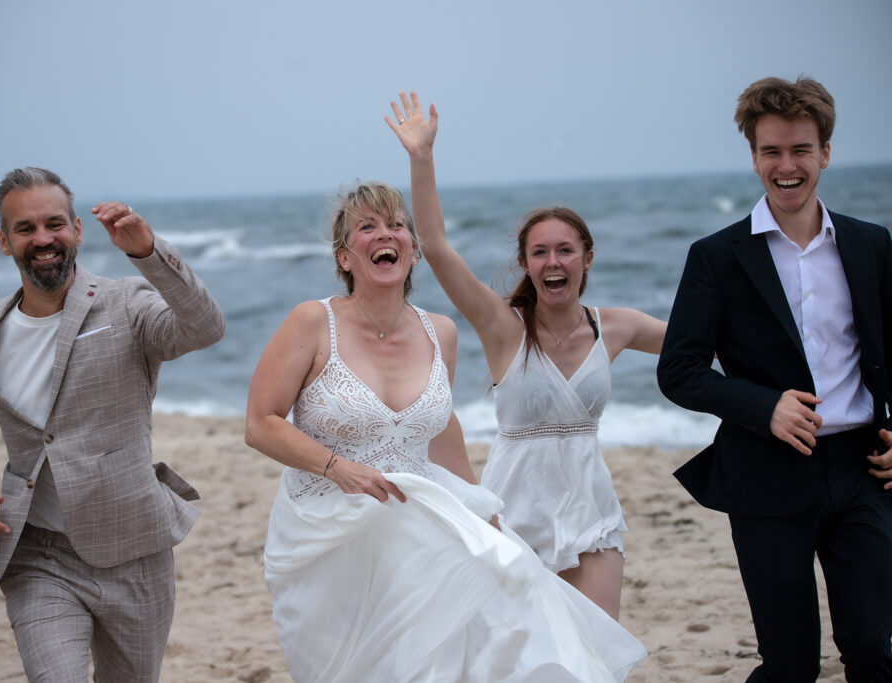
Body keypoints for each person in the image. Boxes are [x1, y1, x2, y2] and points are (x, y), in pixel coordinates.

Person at [244, 181, 645, 682]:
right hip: (324, 533)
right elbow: (260, 424)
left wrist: (484, 514)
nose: (384, 234)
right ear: (345, 257)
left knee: (447, 658)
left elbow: (442, 429)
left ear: (412, 251)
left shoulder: (441, 332)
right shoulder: (310, 322)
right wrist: (338, 467)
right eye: (366, 227)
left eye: (396, 225)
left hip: (417, 522)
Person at [0, 167, 225, 682]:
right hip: (37, 555)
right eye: (25, 229)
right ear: (4, 242)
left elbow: (204, 328)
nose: (43, 239)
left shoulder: (128, 303)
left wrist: (148, 253)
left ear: (77, 231)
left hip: (135, 547)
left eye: (54, 224)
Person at [386, 92, 666, 619]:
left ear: (586, 258)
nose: (553, 261)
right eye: (540, 252)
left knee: (595, 658)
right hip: (512, 512)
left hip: (591, 511)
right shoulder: (502, 328)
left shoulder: (619, 326)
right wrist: (421, 158)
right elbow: (436, 245)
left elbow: (700, 345)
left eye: (565, 250)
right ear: (526, 264)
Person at [657, 76, 892, 680]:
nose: (786, 167)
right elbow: (679, 370)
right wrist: (764, 407)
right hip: (765, 472)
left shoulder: (871, 245)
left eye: (800, 151)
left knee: (872, 648)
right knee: (789, 664)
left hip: (863, 472)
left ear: (825, 154)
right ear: (754, 156)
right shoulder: (717, 256)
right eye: (771, 152)